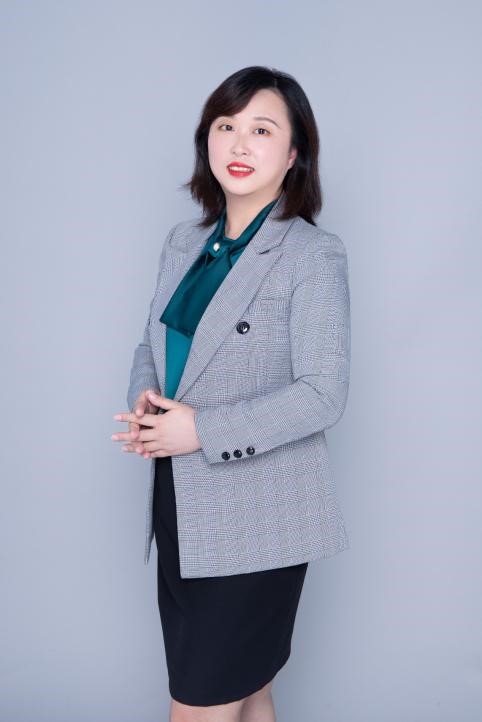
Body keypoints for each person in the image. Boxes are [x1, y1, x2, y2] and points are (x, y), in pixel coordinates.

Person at [112, 65, 351, 722]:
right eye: (226, 126)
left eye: (262, 130)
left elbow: (323, 394)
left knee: (201, 707)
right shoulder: (183, 242)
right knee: (250, 696)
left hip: (258, 514)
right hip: (181, 501)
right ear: (206, 140)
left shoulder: (312, 255)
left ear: (295, 153)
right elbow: (153, 342)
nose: (240, 144)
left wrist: (200, 430)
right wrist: (147, 401)